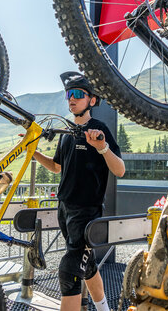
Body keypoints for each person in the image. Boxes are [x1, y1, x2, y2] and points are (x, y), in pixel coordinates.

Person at [33, 71, 125, 311]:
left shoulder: (99, 129)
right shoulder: (67, 132)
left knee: (69, 272)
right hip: (65, 210)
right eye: (68, 94)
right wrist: (32, 152)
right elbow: (56, 167)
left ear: (92, 100)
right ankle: (104, 309)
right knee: (88, 264)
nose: (71, 99)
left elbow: (121, 170)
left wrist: (102, 147)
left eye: (77, 94)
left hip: (87, 214)